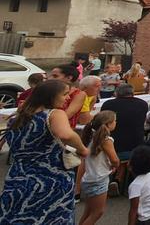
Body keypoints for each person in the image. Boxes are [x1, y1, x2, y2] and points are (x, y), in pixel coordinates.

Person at [0, 80, 89, 224]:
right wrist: (83, 149)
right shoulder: (54, 114)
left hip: (17, 178)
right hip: (51, 181)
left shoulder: (16, 119)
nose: (67, 98)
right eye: (65, 94)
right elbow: (66, 134)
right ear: (51, 96)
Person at [79, 111, 120, 225]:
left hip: (89, 178)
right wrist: (115, 165)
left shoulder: (92, 136)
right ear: (108, 124)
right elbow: (115, 159)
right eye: (114, 121)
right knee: (98, 212)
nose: (116, 122)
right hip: (98, 179)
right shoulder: (106, 140)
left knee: (88, 211)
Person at [101, 84, 148, 160]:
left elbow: (102, 123)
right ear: (132, 93)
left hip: (115, 147)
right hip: (137, 145)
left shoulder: (108, 104)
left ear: (117, 93)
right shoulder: (142, 104)